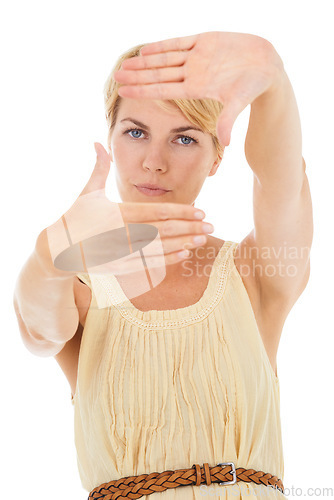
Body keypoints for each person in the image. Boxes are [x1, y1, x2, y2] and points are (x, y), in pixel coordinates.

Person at [13, 31, 313, 499]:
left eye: (185, 138)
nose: (154, 162)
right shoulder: (79, 281)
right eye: (135, 132)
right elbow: (37, 332)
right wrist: (51, 252)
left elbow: (283, 184)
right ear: (110, 139)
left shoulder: (254, 275)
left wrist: (272, 77)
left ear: (216, 157)